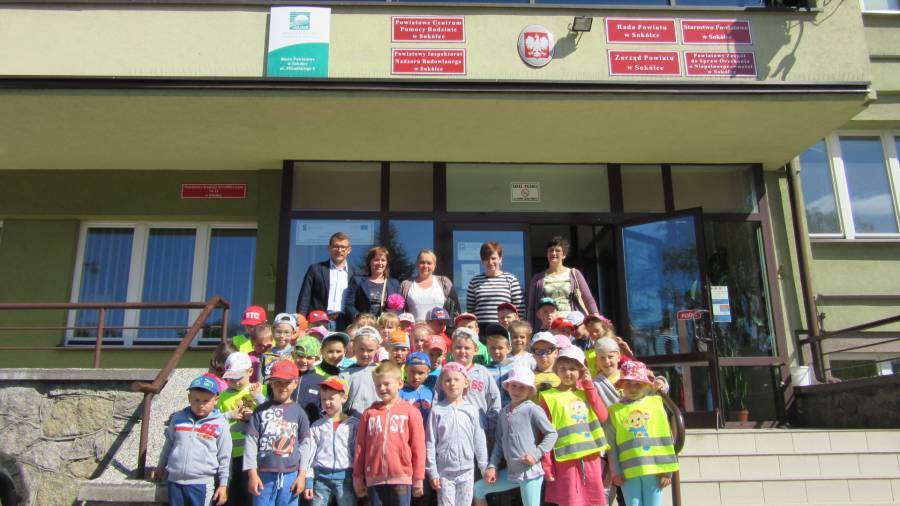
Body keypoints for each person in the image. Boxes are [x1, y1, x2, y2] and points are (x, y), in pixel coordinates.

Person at [473, 367, 558, 506]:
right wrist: (492, 466)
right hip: (512, 473)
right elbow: (499, 443)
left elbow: (552, 434)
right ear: (507, 387)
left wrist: (536, 454)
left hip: (530, 473)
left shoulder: (532, 409)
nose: (517, 390)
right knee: (478, 489)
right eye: (514, 386)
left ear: (530, 390)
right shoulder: (503, 412)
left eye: (522, 387)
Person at [539, 346, 609, 506]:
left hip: (590, 457)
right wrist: (547, 464)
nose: (567, 373)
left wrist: (589, 385)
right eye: (563, 368)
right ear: (556, 370)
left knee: (594, 501)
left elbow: (603, 416)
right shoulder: (548, 397)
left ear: (581, 371)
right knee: (571, 501)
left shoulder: (586, 392)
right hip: (565, 460)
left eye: (572, 368)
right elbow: (544, 434)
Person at [352, 362, 426, 506]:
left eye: (386, 384)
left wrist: (418, 478)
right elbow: (360, 447)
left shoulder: (411, 412)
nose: (382, 388)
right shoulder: (369, 413)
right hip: (374, 478)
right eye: (378, 385)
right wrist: (357, 477)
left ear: (400, 383)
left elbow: (418, 447)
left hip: (401, 477)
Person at [151, 375, 231, 506]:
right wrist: (160, 467)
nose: (201, 405)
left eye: (206, 401)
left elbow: (225, 457)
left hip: (202, 483)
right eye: (196, 400)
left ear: (216, 400)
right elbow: (168, 445)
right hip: (174, 482)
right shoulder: (178, 418)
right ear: (189, 398)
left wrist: (223, 485)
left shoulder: (220, 424)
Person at [608, 361, 679, 506]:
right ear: (621, 385)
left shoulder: (655, 402)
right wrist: (615, 471)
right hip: (628, 471)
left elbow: (662, 387)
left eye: (638, 384)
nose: (633, 388)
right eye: (628, 383)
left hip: (655, 469)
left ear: (646, 385)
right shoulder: (614, 411)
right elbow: (611, 444)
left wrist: (667, 470)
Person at [244, 360, 311, 506]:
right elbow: (250, 443)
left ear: (296, 383)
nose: (282, 386)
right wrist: (252, 474)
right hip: (264, 474)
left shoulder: (299, 412)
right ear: (271, 383)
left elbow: (306, 445)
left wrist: (302, 475)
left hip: (291, 475)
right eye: (278, 382)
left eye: (287, 382)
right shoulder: (260, 411)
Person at [426, 362, 488, 506]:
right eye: (447, 380)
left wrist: (484, 467)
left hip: (467, 471)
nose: (452, 383)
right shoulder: (437, 411)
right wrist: (432, 472)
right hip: (444, 472)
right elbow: (430, 442)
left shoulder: (472, 410)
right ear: (441, 385)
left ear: (465, 383)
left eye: (456, 379)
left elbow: (479, 440)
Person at [299, 377, 359, 506]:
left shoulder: (353, 425)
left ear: (344, 398)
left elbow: (358, 453)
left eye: (331, 399)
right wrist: (308, 479)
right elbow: (310, 455)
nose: (327, 403)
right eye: (323, 399)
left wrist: (359, 477)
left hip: (346, 479)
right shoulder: (317, 426)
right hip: (321, 479)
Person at [217, 352, 266, 506]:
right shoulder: (223, 396)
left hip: (253, 452)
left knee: (249, 492)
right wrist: (230, 415)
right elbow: (215, 419)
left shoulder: (260, 390)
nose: (235, 382)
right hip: (230, 452)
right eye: (231, 379)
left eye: (239, 378)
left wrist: (254, 413)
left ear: (250, 372)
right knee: (231, 491)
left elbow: (270, 412)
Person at [526, 236, 599, 330]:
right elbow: (532, 308)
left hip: (572, 325)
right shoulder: (537, 279)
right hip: (550, 327)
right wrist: (529, 329)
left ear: (564, 255)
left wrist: (596, 317)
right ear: (547, 254)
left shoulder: (574, 274)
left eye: (557, 250)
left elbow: (588, 299)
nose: (553, 253)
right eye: (551, 250)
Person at [440, 328, 501, 438]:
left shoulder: (483, 373)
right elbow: (437, 398)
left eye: (467, 348)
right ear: (451, 349)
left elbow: (494, 401)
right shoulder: (445, 372)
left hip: (480, 430)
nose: (462, 351)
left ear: (476, 350)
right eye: (458, 347)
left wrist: (491, 429)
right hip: (451, 430)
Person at [296, 232, 360, 331]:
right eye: (336, 246)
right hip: (319, 321)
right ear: (329, 248)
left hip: (347, 323)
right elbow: (304, 297)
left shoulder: (357, 273)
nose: (339, 250)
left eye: (343, 247)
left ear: (349, 250)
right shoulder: (316, 269)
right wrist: (301, 322)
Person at [465, 241, 524, 327]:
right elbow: (470, 310)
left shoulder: (511, 279)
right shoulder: (474, 281)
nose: (490, 262)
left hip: (505, 328)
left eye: (493, 258)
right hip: (481, 329)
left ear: (500, 259)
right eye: (486, 259)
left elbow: (520, 310)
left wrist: (515, 329)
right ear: (482, 261)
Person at [400, 249, 461, 322]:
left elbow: (456, 309)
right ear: (417, 264)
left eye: (429, 263)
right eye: (422, 262)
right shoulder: (406, 285)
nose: (425, 266)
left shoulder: (444, 283)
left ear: (435, 265)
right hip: (414, 329)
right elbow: (399, 311)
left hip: (440, 329)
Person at [344, 246, 401, 320]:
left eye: (383, 260)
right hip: (364, 324)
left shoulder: (394, 284)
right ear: (369, 262)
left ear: (387, 263)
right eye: (376, 260)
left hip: (385, 325)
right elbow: (349, 305)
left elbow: (399, 307)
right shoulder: (357, 281)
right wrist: (359, 318)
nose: (380, 263)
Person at [340, 326, 382, 417]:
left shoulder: (382, 372)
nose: (365, 354)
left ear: (377, 349)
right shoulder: (344, 374)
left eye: (370, 350)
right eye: (361, 349)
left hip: (377, 419)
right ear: (354, 346)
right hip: (351, 421)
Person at [291, 336, 326, 425]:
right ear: (293, 355)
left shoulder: (321, 381)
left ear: (316, 359)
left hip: (310, 428)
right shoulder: (286, 376)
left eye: (309, 357)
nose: (304, 361)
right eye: (300, 356)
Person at [483, 323, 515, 407]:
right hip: (491, 410)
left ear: (509, 349)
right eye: (492, 348)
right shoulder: (484, 371)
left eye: (500, 348)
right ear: (487, 349)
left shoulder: (515, 368)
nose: (496, 351)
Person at [401, 352, 435, 420]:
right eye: (412, 372)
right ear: (405, 370)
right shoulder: (400, 393)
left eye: (420, 373)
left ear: (427, 374)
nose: (416, 377)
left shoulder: (430, 392)